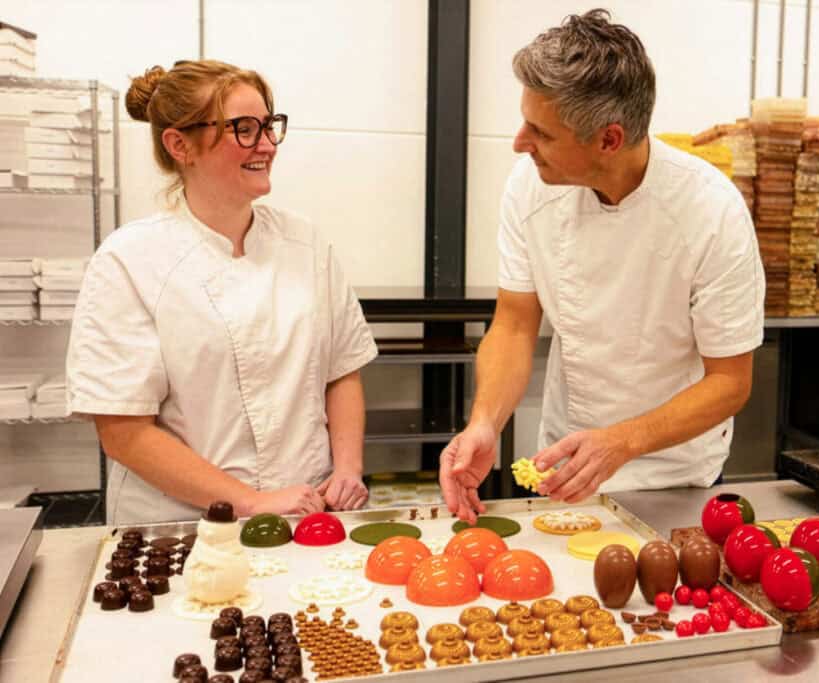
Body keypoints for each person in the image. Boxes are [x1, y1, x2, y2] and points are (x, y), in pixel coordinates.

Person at [440, 10, 765, 522]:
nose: (520, 143)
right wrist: (484, 421)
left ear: (609, 140)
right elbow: (514, 324)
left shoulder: (711, 210)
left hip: (675, 476)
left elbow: (730, 380)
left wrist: (622, 441)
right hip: (565, 466)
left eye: (540, 132)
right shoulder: (529, 187)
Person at [66, 60, 378, 524]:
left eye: (270, 127)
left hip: (306, 510)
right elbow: (124, 432)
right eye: (245, 130)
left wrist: (348, 469)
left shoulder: (306, 244)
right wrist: (249, 501)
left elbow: (342, 371)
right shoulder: (130, 260)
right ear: (180, 145)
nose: (268, 145)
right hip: (181, 524)